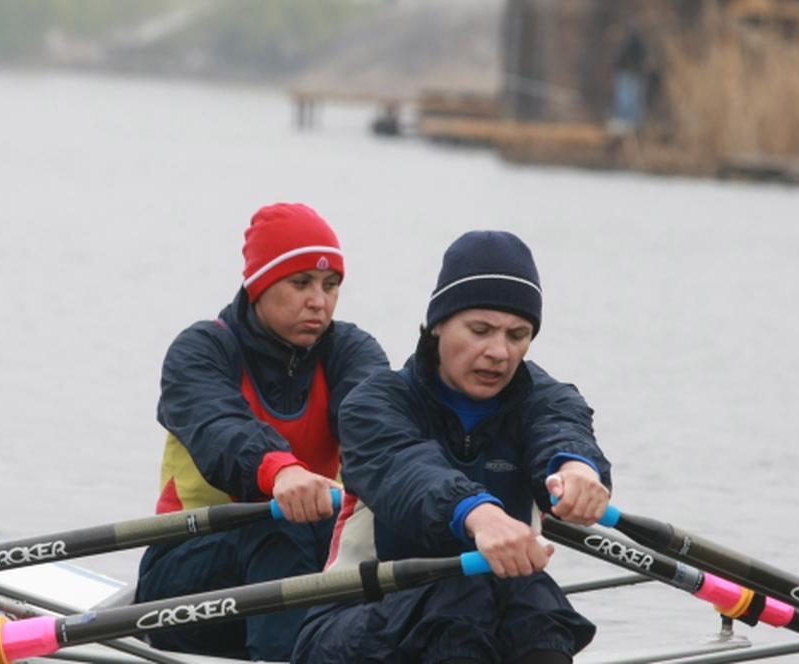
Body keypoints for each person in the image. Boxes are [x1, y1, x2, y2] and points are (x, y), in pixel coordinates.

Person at [294, 230, 612, 664]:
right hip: (349, 619)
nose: (499, 352)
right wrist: (479, 515)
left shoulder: (545, 398)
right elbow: (409, 471)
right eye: (480, 330)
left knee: (535, 600)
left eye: (517, 335)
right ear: (437, 324)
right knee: (460, 594)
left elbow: (561, 430)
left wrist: (578, 471)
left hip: (483, 615)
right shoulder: (375, 404)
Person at [136, 202, 389, 660]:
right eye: (301, 283)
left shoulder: (352, 353)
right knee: (280, 524)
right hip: (182, 580)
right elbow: (221, 429)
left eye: (331, 285)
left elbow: (378, 431)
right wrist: (281, 472)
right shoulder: (201, 351)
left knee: (378, 531)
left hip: (307, 564)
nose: (319, 300)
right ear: (259, 286)